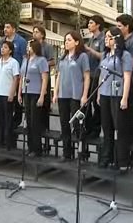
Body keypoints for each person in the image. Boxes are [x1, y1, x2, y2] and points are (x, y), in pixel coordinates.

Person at [97, 27, 133, 171]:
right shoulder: (105, 56)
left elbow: (127, 77)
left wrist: (125, 97)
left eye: (109, 37)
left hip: (117, 94)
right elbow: (101, 75)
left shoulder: (124, 55)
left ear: (116, 39)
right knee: (106, 127)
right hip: (105, 93)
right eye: (105, 37)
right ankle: (107, 157)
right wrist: (99, 93)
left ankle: (123, 160)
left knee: (120, 128)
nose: (106, 39)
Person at [52, 31, 90, 161]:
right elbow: (59, 76)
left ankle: (82, 152)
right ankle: (66, 152)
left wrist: (84, 95)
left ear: (77, 42)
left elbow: (86, 76)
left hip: (76, 94)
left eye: (69, 40)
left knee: (77, 124)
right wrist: (55, 93)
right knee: (64, 124)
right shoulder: (63, 58)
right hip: (63, 94)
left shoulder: (82, 57)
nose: (66, 42)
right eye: (65, 40)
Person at [18, 40, 48, 157]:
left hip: (36, 92)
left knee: (35, 121)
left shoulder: (41, 60)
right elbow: (22, 77)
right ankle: (30, 147)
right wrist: (20, 93)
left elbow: (44, 78)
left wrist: (42, 95)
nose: (27, 48)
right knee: (28, 120)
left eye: (29, 46)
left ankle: (37, 148)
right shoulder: (25, 60)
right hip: (27, 92)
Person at [116, 14, 133, 153]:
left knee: (128, 113)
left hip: (129, 80)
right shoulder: (121, 40)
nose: (117, 28)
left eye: (120, 26)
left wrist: (123, 61)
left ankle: (129, 143)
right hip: (120, 80)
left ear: (127, 27)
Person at [0, 41, 19, 150]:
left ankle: (8, 143)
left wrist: (12, 93)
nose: (2, 49)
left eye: (5, 47)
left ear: (10, 50)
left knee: (8, 119)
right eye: (2, 47)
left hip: (7, 94)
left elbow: (16, 78)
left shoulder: (13, 62)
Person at [0, 22, 27, 130]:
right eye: (4, 27)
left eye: (8, 27)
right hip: (4, 76)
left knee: (16, 102)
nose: (5, 29)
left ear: (14, 29)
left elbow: (24, 58)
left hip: (17, 76)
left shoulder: (21, 41)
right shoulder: (2, 41)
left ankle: (15, 124)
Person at [84, 15, 105, 138]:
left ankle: (96, 129)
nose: (89, 25)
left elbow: (103, 56)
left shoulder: (102, 39)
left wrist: (90, 50)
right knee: (86, 102)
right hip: (89, 73)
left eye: (91, 23)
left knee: (96, 104)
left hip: (98, 74)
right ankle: (88, 127)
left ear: (98, 25)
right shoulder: (90, 39)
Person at [32, 25, 55, 132]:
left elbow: (53, 61)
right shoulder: (31, 45)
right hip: (33, 78)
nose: (34, 34)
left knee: (44, 105)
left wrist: (41, 63)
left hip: (44, 77)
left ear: (42, 34)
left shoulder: (47, 46)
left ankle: (45, 127)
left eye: (37, 32)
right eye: (33, 32)